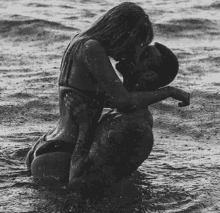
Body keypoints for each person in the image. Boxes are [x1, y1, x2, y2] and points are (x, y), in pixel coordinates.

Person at [25, 2, 190, 191]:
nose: (132, 52)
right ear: (125, 33)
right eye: (137, 44)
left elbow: (103, 98)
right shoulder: (92, 48)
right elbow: (123, 101)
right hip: (64, 150)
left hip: (50, 142)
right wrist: (169, 92)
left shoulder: (79, 41)